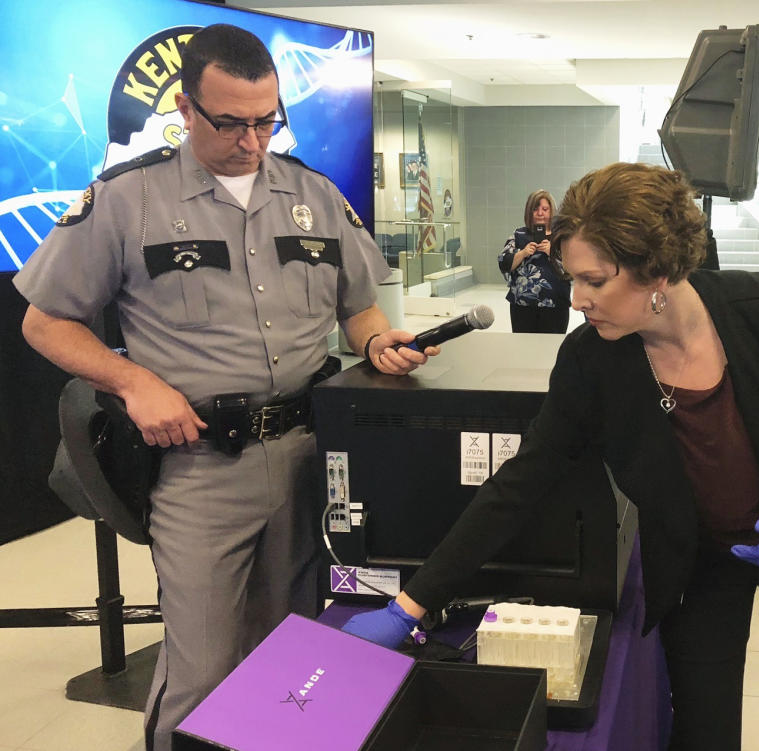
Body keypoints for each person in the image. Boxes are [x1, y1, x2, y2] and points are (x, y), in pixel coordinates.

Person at [343, 162, 759, 750]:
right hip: (702, 559)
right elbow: (521, 483)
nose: (576, 300)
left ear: (656, 269)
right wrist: (410, 605)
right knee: (703, 732)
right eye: (573, 279)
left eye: (594, 281)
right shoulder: (592, 361)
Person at [13, 24, 435, 751]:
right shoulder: (127, 198)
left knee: (297, 650)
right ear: (184, 106)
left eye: (266, 120)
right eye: (230, 122)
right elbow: (45, 323)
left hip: (308, 457)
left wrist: (373, 339)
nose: (251, 140)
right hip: (201, 466)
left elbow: (358, 301)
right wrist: (134, 380)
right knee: (202, 666)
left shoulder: (313, 193)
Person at [498, 189, 571, 333]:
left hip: (555, 305)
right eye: (535, 209)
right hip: (523, 307)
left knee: (551, 348)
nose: (540, 213)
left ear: (552, 212)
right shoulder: (518, 235)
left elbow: (574, 268)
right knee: (524, 348)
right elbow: (504, 263)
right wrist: (523, 253)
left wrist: (552, 253)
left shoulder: (562, 236)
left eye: (545, 209)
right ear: (528, 212)